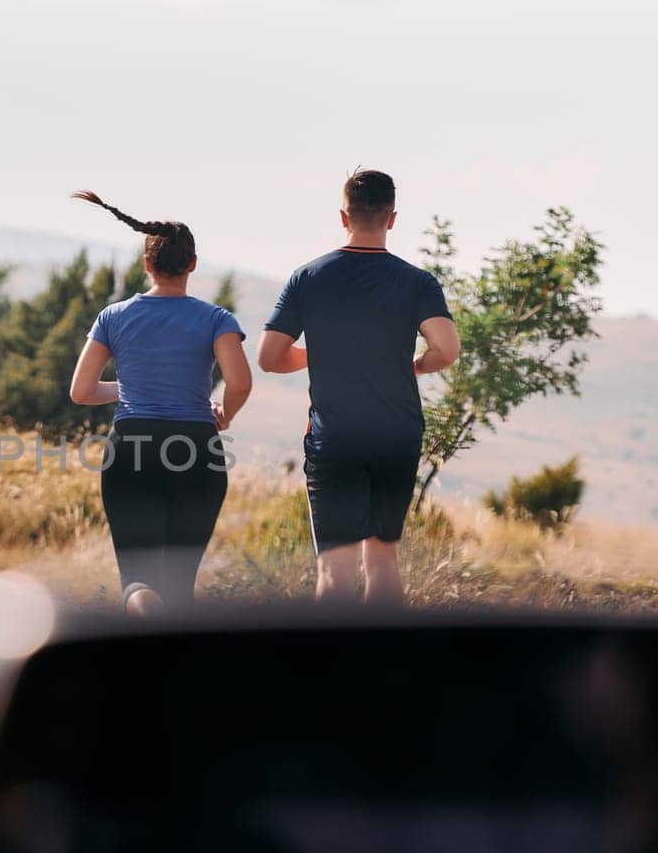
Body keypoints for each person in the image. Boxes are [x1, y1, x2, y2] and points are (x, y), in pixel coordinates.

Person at [257, 169, 459, 605]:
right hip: (397, 435)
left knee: (334, 573)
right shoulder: (417, 282)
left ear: (343, 216)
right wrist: (418, 366)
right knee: (384, 561)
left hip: (335, 438)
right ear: (392, 218)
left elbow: (269, 358)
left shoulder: (307, 278)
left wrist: (326, 352)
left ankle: (332, 670)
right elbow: (447, 349)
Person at [69, 191, 252, 616]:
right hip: (197, 447)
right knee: (180, 584)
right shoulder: (216, 319)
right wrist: (224, 414)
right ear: (192, 264)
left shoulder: (113, 317)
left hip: (132, 445)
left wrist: (131, 388)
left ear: (147, 265)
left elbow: (81, 391)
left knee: (138, 578)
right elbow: (240, 383)